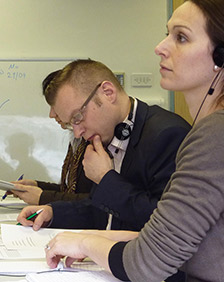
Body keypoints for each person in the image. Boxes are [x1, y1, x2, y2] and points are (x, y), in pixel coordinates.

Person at [43, 0, 224, 282]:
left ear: (223, 57)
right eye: (167, 34)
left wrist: (85, 243)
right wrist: (87, 238)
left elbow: (146, 265)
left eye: (181, 37)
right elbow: (172, 235)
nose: (161, 47)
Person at [17, 59, 191, 234]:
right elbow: (102, 209)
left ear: (108, 93)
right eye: (71, 124)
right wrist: (53, 212)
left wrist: (105, 178)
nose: (77, 133)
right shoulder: (107, 135)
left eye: (77, 117)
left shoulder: (167, 134)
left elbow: (167, 223)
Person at [10, 70, 94, 205]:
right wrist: (37, 186)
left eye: (56, 107)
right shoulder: (77, 139)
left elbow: (95, 201)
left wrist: (43, 197)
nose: (52, 114)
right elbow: (68, 191)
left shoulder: (93, 141)